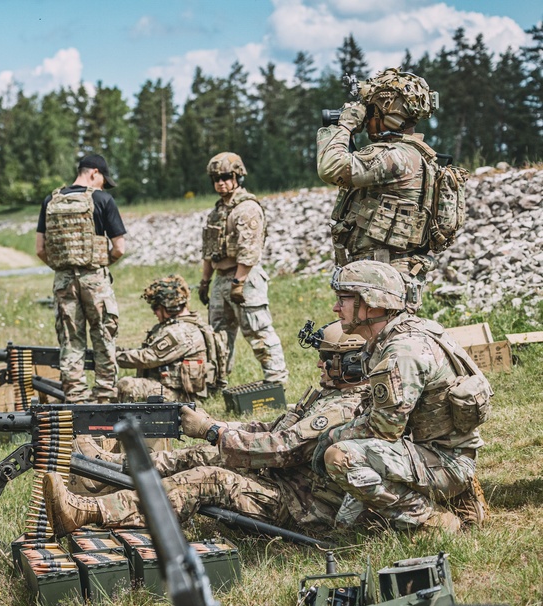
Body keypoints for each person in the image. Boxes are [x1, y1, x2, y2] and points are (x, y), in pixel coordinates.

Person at [44, 321, 370, 536]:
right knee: (199, 456)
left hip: (304, 508)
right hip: (284, 483)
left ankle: (89, 512)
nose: (319, 364)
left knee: (209, 479)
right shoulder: (331, 395)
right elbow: (269, 428)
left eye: (327, 358)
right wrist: (218, 426)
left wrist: (214, 431)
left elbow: (281, 449)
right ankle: (104, 469)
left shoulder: (344, 407)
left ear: (353, 363)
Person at [319, 260, 491, 532]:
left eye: (344, 300)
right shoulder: (401, 333)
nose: (336, 308)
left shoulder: (403, 351)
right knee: (345, 525)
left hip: (446, 462)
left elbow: (384, 429)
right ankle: (459, 499)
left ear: (372, 303)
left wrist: (332, 436)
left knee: (340, 457)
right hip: (431, 450)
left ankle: (433, 519)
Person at [316, 68, 441, 310]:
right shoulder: (407, 153)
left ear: (389, 115)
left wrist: (345, 126)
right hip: (381, 274)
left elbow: (330, 168)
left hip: (384, 278)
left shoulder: (396, 157)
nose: (367, 118)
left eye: (371, 111)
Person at [36, 155, 126, 403]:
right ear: (94, 173)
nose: (103, 187)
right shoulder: (102, 199)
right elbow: (119, 247)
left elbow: (40, 249)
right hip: (94, 278)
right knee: (103, 335)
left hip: (63, 280)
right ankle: (105, 396)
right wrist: (99, 265)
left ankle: (76, 398)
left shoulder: (50, 200)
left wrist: (62, 268)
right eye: (103, 181)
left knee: (70, 339)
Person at [197, 152, 287, 385]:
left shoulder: (246, 208)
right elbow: (208, 251)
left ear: (237, 176)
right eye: (215, 179)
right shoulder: (217, 211)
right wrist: (205, 282)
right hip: (221, 277)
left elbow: (250, 250)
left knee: (257, 330)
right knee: (218, 336)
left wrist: (238, 282)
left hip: (244, 278)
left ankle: (276, 379)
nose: (220, 182)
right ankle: (218, 381)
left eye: (226, 177)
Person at [115, 275, 225, 403]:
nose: (154, 312)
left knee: (126, 386)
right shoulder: (191, 324)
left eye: (155, 307)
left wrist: (112, 357)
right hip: (182, 392)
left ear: (168, 307)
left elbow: (147, 358)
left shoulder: (181, 331)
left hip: (183, 397)